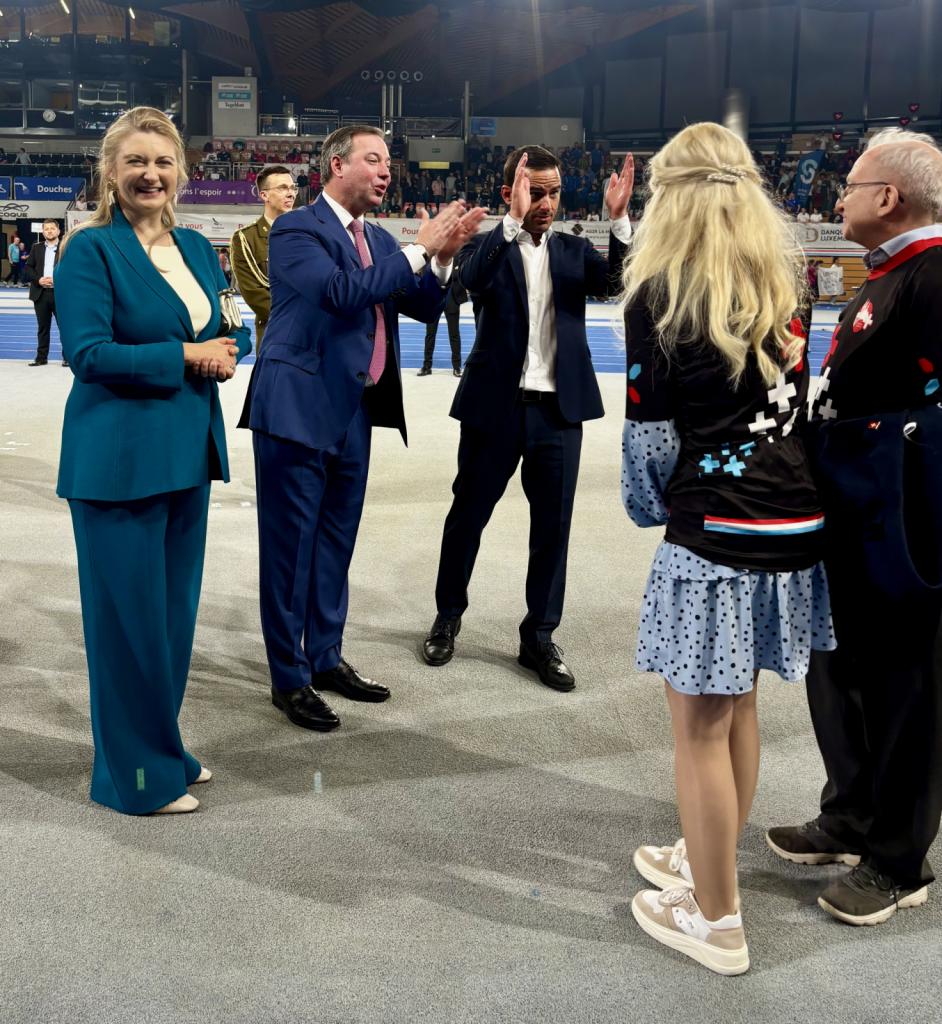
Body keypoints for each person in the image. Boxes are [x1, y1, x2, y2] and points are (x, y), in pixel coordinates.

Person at [621, 123, 833, 975]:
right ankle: (706, 861)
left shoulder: (660, 295)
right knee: (738, 707)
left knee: (699, 726)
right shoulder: (783, 281)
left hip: (716, 531)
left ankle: (716, 920)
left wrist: (651, 509)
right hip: (794, 521)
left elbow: (650, 445)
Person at [240, 125, 485, 732]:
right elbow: (339, 292)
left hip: (356, 410)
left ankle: (325, 658)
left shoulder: (376, 237)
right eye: (373, 159)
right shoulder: (296, 228)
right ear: (335, 164)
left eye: (388, 162)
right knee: (290, 551)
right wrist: (417, 250)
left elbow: (423, 305)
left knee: (335, 545)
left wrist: (442, 257)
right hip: (296, 410)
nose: (385, 171)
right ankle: (288, 677)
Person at [766, 128, 942, 926]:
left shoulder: (934, 276)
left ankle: (899, 859)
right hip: (856, 511)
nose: (840, 195)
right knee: (841, 665)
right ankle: (852, 813)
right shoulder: (892, 272)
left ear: (889, 197)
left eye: (851, 184)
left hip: (903, 520)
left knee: (906, 683)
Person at [54, 106, 251, 816]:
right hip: (118, 464)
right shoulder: (89, 250)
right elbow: (89, 354)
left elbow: (232, 323)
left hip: (187, 456)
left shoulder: (197, 247)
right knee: (127, 629)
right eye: (136, 161)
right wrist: (187, 355)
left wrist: (229, 348)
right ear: (110, 172)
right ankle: (132, 778)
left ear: (181, 173)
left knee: (170, 622)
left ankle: (160, 745)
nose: (150, 174)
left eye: (163, 162)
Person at [420, 145, 634, 689]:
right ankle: (448, 616)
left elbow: (617, 283)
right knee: (467, 515)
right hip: (494, 409)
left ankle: (539, 635)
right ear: (511, 194)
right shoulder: (486, 246)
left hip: (558, 414)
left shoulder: (574, 250)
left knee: (553, 530)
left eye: (553, 192)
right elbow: (471, 281)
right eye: (535, 193)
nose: (546, 203)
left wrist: (618, 220)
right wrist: (511, 222)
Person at [229, 164, 297, 348]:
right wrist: (300, 317)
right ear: (264, 195)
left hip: (317, 336)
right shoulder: (246, 239)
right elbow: (254, 293)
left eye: (293, 188)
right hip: (276, 335)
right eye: (283, 188)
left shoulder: (310, 232)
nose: (291, 194)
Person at [24, 220, 64, 367]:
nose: (49, 231)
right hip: (40, 294)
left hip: (60, 294)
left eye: (52, 228)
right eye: (46, 229)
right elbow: (28, 268)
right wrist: (39, 280)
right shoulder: (36, 247)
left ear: (58, 231)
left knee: (65, 328)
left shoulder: (66, 247)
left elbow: (74, 268)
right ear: (43, 232)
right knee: (43, 328)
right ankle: (41, 358)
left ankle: (67, 357)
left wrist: (58, 279)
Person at [417, 276, 467, 377]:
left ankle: (457, 367)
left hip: (451, 299)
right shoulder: (432, 264)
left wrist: (458, 297)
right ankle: (427, 366)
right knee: (430, 334)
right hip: (434, 300)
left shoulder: (456, 264)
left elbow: (461, 276)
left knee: (454, 334)